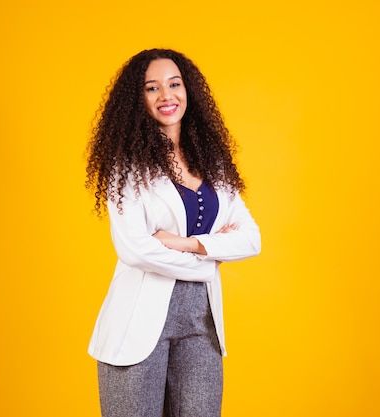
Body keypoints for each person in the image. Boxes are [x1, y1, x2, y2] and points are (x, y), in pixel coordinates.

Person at [85, 48, 261, 417]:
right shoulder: (127, 167)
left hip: (201, 328)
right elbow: (135, 249)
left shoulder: (212, 162)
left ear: (188, 90)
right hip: (136, 329)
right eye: (152, 88)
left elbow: (250, 239)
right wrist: (209, 261)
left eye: (174, 84)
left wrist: (186, 244)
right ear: (138, 99)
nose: (167, 95)